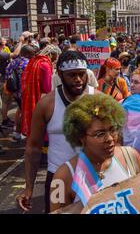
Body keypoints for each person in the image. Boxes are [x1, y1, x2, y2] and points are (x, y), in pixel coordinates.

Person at [16, 51, 97, 213]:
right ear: (60, 74)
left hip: (92, 177)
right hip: (57, 179)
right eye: (72, 75)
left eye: (82, 74)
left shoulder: (99, 100)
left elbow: (115, 143)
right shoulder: (46, 104)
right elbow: (33, 148)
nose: (78, 80)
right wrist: (29, 188)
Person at [49, 94, 140, 212]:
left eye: (112, 130)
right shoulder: (63, 176)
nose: (110, 138)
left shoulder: (132, 157)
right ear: (81, 137)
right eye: (100, 134)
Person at [21, 44, 61, 136]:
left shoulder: (35, 61)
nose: (56, 59)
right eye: (56, 56)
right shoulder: (45, 65)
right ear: (52, 54)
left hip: (29, 94)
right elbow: (47, 87)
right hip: (40, 97)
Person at [5, 45, 36, 142]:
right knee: (27, 114)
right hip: (26, 93)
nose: (33, 56)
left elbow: (7, 76)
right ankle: (28, 134)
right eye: (32, 54)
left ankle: (17, 134)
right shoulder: (29, 63)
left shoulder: (12, 62)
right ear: (27, 54)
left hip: (15, 93)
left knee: (20, 112)